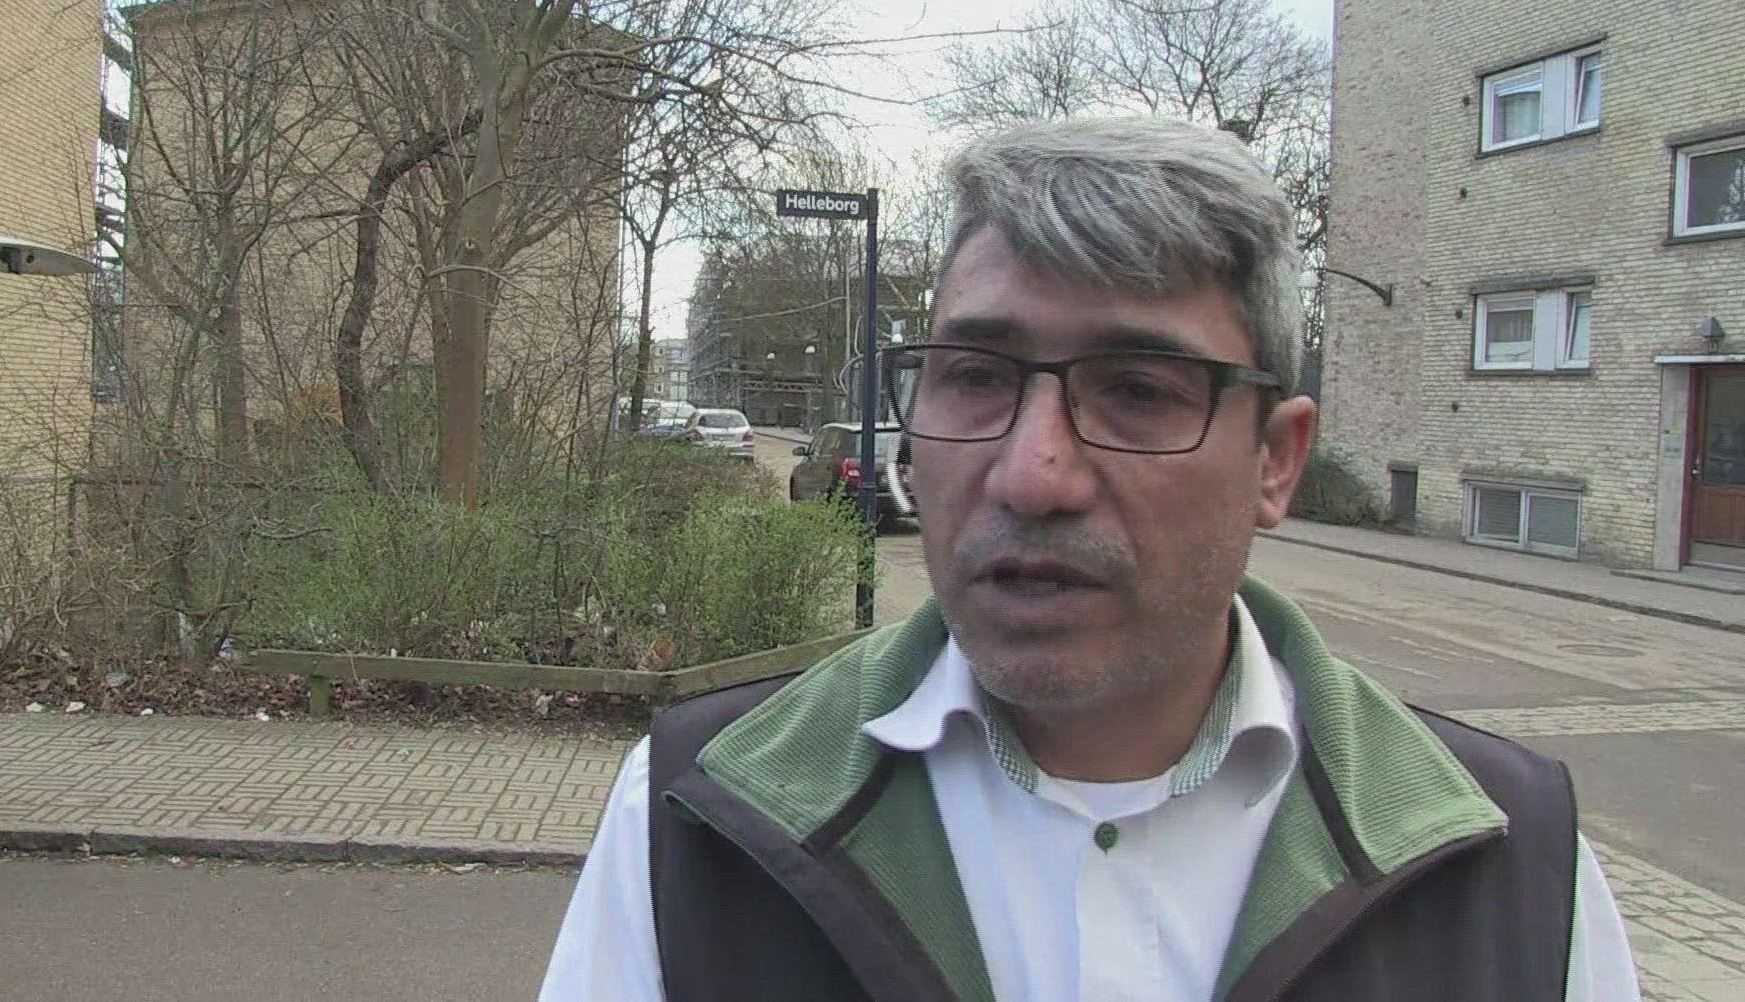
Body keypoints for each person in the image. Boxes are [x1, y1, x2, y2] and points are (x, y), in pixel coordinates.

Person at [538, 118, 1638, 1001]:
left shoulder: (1506, 868)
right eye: (976, 377)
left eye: (1139, 391)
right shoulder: (696, 819)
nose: (1033, 475)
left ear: (1276, 461)